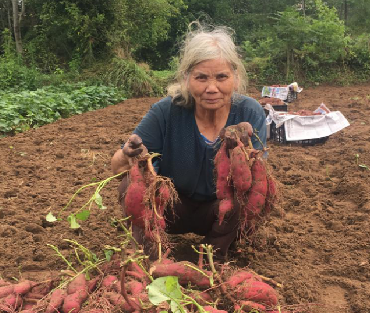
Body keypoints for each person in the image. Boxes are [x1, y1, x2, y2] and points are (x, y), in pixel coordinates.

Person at [111, 23, 267, 260]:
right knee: (129, 183)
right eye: (201, 77)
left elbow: (254, 182)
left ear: (235, 78)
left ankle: (214, 255)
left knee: (249, 198)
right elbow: (117, 168)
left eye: (222, 77)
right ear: (186, 79)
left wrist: (242, 153)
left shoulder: (249, 112)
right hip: (170, 208)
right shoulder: (167, 111)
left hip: (220, 213)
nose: (211, 88)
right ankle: (150, 254)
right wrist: (128, 155)